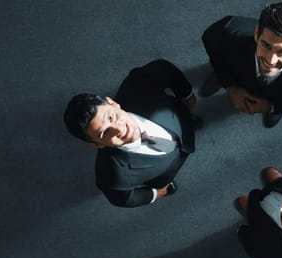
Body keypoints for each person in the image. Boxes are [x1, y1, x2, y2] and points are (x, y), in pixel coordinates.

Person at [63, 59, 197, 208]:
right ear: (97, 144)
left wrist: (187, 97)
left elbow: (163, 68)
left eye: (111, 117)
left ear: (113, 103)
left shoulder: (138, 84)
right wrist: (157, 193)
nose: (119, 129)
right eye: (105, 133)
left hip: (181, 121)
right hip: (165, 174)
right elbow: (124, 199)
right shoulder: (111, 175)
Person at [201, 0, 282, 128]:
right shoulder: (226, 32)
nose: (270, 61)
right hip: (236, 64)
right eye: (266, 45)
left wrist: (274, 106)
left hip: (279, 94)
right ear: (256, 33)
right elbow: (209, 40)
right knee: (226, 63)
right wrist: (229, 85)